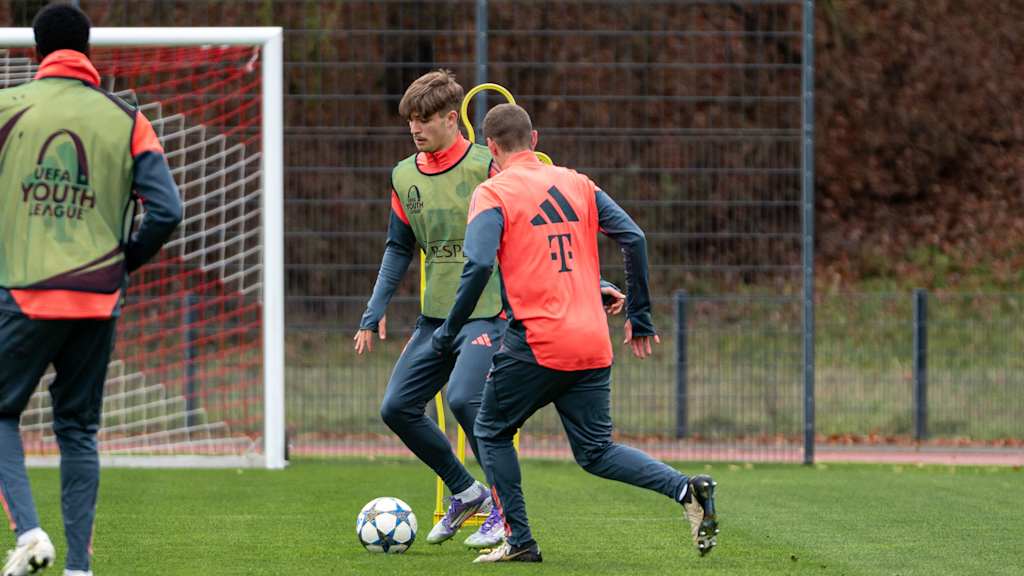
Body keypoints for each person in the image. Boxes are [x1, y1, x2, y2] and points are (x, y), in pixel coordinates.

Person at [432, 103, 720, 563]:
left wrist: (449, 329)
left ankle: (519, 541)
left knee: (490, 430)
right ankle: (686, 489)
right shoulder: (578, 183)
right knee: (596, 451)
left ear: (491, 147)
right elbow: (634, 237)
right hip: (591, 341)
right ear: (535, 139)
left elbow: (480, 263)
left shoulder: (492, 192)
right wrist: (640, 315)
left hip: (538, 343)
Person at [354, 70, 625, 548]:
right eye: (410, 120)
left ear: (451, 119)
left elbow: (546, 229)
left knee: (464, 399)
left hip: (491, 312)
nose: (415, 129)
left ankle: (503, 512)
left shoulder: (491, 166)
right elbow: (399, 247)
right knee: (396, 407)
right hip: (436, 318)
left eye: (424, 119)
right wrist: (373, 310)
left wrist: (593, 283)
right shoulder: (403, 175)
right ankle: (466, 491)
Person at [0, 5, 183, 576]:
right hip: (98, 298)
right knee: (78, 430)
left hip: (23, 292)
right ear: (87, 50)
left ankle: (29, 533)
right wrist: (122, 263)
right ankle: (79, 568)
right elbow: (167, 210)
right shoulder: (127, 119)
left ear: (36, 51)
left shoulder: (7, 107)